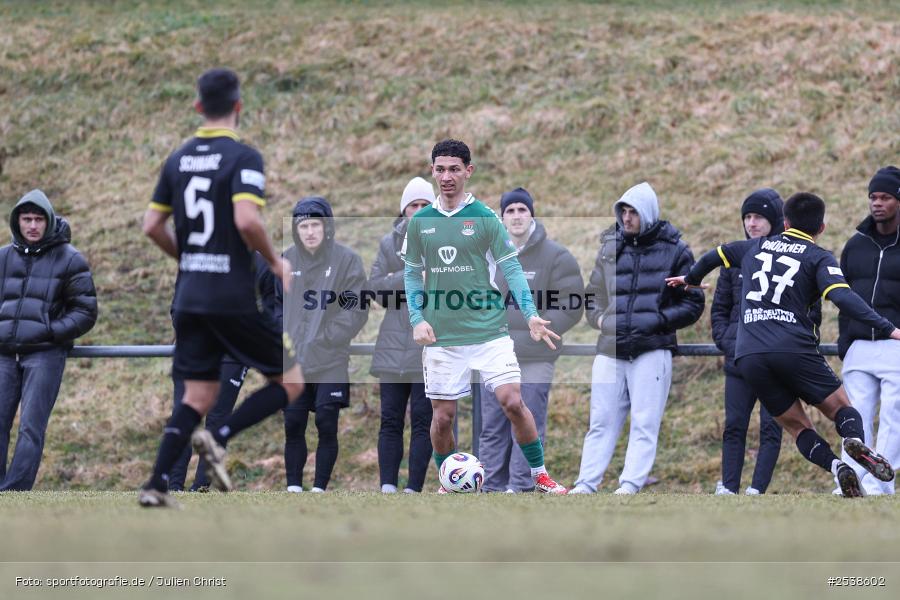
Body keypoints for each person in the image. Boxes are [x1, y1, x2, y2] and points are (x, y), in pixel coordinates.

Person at [140, 67, 304, 508]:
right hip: (229, 297)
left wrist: (190, 261)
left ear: (197, 107)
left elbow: (152, 225)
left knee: (196, 395)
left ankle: (156, 484)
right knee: (290, 381)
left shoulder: (177, 159)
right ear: (238, 106)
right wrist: (274, 261)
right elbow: (247, 220)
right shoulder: (242, 157)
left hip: (189, 297)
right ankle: (219, 435)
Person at [667, 192, 900, 497]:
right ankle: (852, 443)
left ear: (785, 222)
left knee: (797, 426)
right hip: (793, 347)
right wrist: (889, 328)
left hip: (748, 353)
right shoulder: (819, 256)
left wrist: (690, 278)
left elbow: (715, 255)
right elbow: (843, 298)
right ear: (822, 228)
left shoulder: (753, 246)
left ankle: (836, 467)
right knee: (843, 409)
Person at [402, 139, 567, 494]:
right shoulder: (421, 223)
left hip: (490, 331)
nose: (447, 176)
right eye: (441, 169)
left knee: (512, 401)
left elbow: (512, 268)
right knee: (443, 419)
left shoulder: (486, 218)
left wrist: (532, 314)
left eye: (454, 169)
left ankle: (539, 475)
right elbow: (412, 274)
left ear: (468, 171)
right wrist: (417, 318)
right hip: (443, 337)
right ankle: (448, 482)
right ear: (433, 171)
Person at [570, 182, 704, 495]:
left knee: (645, 421)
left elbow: (693, 303)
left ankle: (630, 484)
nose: (626, 218)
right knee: (600, 420)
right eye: (623, 212)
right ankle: (586, 484)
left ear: (648, 214)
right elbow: (593, 296)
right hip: (610, 348)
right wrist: (601, 320)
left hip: (652, 349)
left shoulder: (677, 250)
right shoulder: (608, 248)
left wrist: (657, 322)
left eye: (633, 212)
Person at [478, 188, 583, 493]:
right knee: (493, 426)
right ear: (501, 218)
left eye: (522, 209)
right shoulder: (488, 255)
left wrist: (543, 332)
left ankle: (522, 486)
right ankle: (491, 487)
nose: (516, 216)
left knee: (528, 422)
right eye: (509, 211)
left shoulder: (556, 256)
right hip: (495, 355)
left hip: (536, 357)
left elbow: (572, 302)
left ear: (532, 214)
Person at [0, 190, 97, 491]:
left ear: (49, 221)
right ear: (17, 221)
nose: (32, 225)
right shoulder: (2, 257)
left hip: (44, 355)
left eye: (38, 219)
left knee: (31, 427)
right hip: (3, 355)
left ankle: (15, 492)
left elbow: (86, 311)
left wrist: (51, 332)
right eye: (26, 219)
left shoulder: (71, 259)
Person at [277, 196, 368, 493]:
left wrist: (326, 338)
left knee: (327, 421)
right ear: (296, 230)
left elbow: (356, 307)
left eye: (316, 224)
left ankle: (319, 489)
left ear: (327, 228)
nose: (310, 231)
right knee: (293, 424)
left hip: (330, 358)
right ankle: (293, 487)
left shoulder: (347, 260)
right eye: (304, 225)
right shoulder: (284, 260)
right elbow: (270, 305)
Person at [710, 189, 794, 496]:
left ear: (774, 220)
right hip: (739, 360)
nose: (751, 223)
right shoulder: (733, 259)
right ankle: (728, 487)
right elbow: (719, 311)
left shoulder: (793, 259)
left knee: (772, 428)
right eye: (747, 217)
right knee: (734, 425)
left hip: (776, 361)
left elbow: (807, 313)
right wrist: (730, 343)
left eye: (758, 216)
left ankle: (757, 489)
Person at [835, 166, 900, 495]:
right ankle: (852, 483)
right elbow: (841, 292)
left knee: (894, 417)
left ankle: (879, 487)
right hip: (859, 344)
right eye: (873, 197)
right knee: (854, 418)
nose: (877, 203)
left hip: (896, 345)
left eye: (885, 197)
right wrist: (845, 340)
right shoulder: (855, 244)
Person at [370, 177, 435, 494]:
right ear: (404, 210)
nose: (419, 211)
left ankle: (414, 488)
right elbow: (376, 289)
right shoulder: (389, 244)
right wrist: (410, 274)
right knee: (391, 420)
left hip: (432, 345)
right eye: (414, 205)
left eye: (425, 205)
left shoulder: (445, 239)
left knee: (424, 422)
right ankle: (387, 486)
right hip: (394, 346)